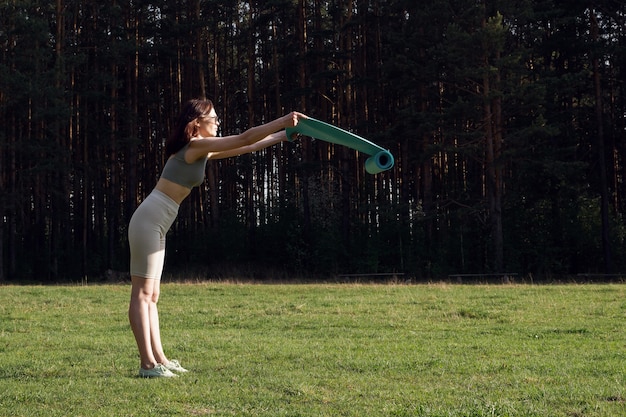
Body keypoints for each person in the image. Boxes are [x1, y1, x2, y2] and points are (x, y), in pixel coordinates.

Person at [128, 98, 306, 377]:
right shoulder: (195, 146)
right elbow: (245, 135)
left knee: (153, 295)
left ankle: (160, 359)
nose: (219, 122)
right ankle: (147, 364)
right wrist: (283, 120)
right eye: (214, 118)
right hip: (148, 219)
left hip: (159, 221)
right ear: (197, 122)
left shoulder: (202, 150)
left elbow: (247, 145)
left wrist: (283, 135)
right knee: (142, 294)